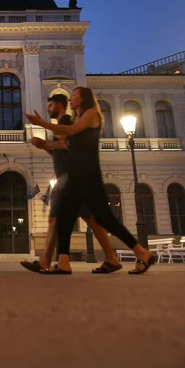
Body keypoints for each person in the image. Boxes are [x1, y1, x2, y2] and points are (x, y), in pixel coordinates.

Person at [25, 87, 157, 275]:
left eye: (75, 95)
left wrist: (42, 124)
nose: (72, 98)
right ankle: (63, 262)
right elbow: (66, 146)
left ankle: (141, 252)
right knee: (64, 216)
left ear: (84, 98)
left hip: (88, 175)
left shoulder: (91, 114)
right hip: (78, 175)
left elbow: (70, 132)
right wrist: (46, 144)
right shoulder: (79, 118)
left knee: (104, 219)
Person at [20, 94, 123, 274]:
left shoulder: (66, 122)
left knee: (61, 219)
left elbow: (70, 145)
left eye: (50, 105)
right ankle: (111, 258)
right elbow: (59, 152)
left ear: (60, 105)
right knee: (85, 218)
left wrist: (45, 143)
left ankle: (49, 261)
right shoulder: (62, 126)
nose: (48, 108)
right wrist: (45, 146)